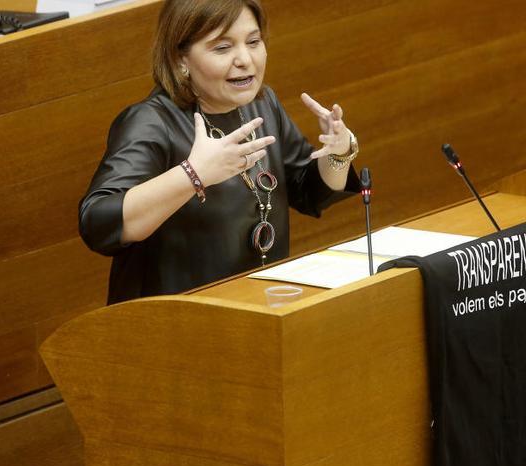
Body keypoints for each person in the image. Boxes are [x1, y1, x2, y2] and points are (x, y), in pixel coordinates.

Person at [79, 0, 360, 304]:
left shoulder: (261, 105)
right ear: (180, 59)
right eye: (222, 48)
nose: (245, 59)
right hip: (172, 325)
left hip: (257, 308)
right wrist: (194, 174)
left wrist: (338, 152)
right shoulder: (151, 122)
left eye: (253, 42)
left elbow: (309, 192)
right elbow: (98, 224)